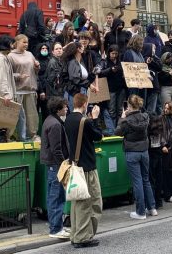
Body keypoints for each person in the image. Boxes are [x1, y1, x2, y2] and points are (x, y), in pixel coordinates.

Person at [64, 94, 103, 248]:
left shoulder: (68, 120)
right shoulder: (85, 121)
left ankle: (76, 234)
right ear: (85, 103)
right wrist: (94, 118)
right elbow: (98, 136)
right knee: (92, 202)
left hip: (75, 165)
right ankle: (83, 237)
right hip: (87, 167)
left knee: (77, 204)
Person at [115, 95, 157, 220]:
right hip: (144, 151)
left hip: (132, 152)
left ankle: (140, 212)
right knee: (146, 180)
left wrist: (122, 118)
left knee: (137, 182)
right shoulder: (145, 117)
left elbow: (117, 132)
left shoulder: (127, 121)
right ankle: (152, 208)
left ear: (128, 105)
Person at [40, 96, 70, 240]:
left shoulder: (49, 120)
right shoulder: (56, 124)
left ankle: (56, 226)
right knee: (56, 197)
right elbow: (56, 149)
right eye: (64, 107)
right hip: (56, 165)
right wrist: (64, 164)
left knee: (54, 196)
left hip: (52, 164)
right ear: (58, 110)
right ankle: (55, 229)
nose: (67, 109)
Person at [8, 34, 41, 142]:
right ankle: (11, 136)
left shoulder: (30, 54)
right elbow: (8, 74)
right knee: (16, 116)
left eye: (27, 42)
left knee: (31, 115)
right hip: (18, 90)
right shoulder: (11, 56)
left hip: (30, 88)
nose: (26, 44)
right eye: (24, 42)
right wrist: (18, 76)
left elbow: (35, 71)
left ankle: (32, 135)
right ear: (17, 43)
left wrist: (37, 67)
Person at [0, 35, 17, 138]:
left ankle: (3, 138)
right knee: (3, 122)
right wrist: (6, 94)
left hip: (3, 94)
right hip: (4, 95)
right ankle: (1, 139)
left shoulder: (2, 58)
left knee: (4, 121)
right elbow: (2, 78)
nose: (13, 46)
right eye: (11, 43)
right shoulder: (1, 59)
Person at [101, 45, 126, 135]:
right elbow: (101, 72)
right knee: (112, 110)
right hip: (111, 88)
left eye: (116, 53)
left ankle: (119, 128)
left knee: (119, 110)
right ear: (109, 53)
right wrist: (110, 70)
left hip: (121, 88)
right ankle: (112, 129)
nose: (114, 55)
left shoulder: (120, 62)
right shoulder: (105, 62)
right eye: (112, 53)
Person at [62, 42, 91, 111]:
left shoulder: (80, 61)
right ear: (78, 49)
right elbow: (75, 79)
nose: (84, 47)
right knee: (76, 112)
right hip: (74, 92)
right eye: (82, 46)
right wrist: (89, 84)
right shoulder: (72, 62)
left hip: (81, 90)